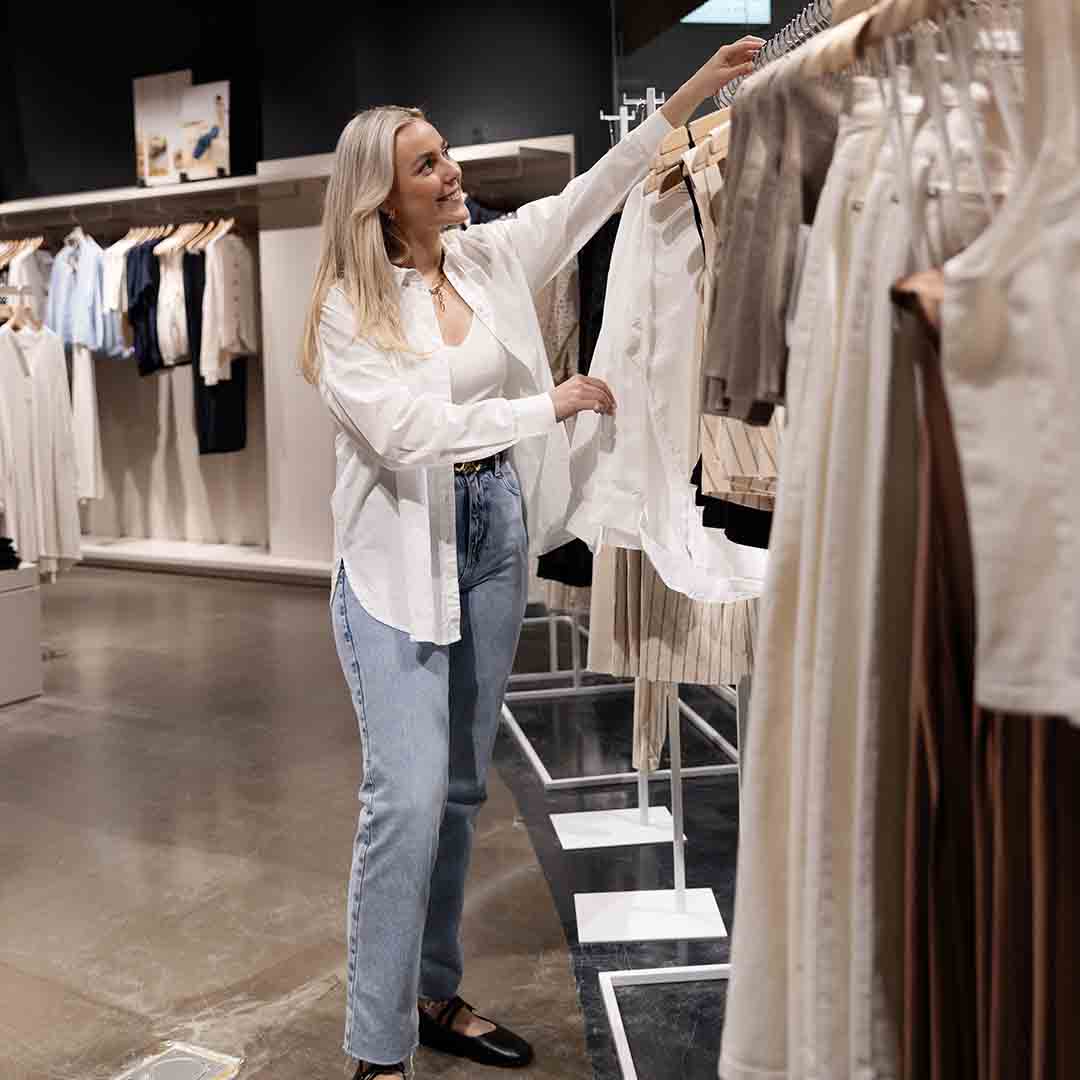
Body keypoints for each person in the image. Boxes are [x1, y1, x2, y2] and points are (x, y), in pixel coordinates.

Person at [301, 35, 764, 1080]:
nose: (452, 171)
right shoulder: (346, 305)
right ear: (381, 195)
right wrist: (542, 405)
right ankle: (376, 1048)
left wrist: (695, 92)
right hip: (395, 565)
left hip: (494, 538)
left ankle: (431, 990)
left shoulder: (488, 257)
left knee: (462, 787)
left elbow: (599, 192)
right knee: (405, 798)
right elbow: (405, 430)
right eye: (428, 165)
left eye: (447, 155)